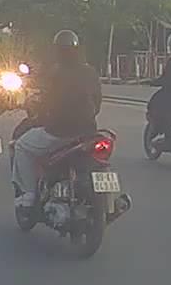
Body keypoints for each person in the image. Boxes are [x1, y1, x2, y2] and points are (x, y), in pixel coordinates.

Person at [10, 30, 102, 210]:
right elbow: (97, 102)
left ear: (58, 50)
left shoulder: (56, 73)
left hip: (59, 132)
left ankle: (29, 194)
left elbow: (47, 103)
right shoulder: (90, 72)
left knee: (21, 146)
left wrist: (40, 112)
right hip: (88, 131)